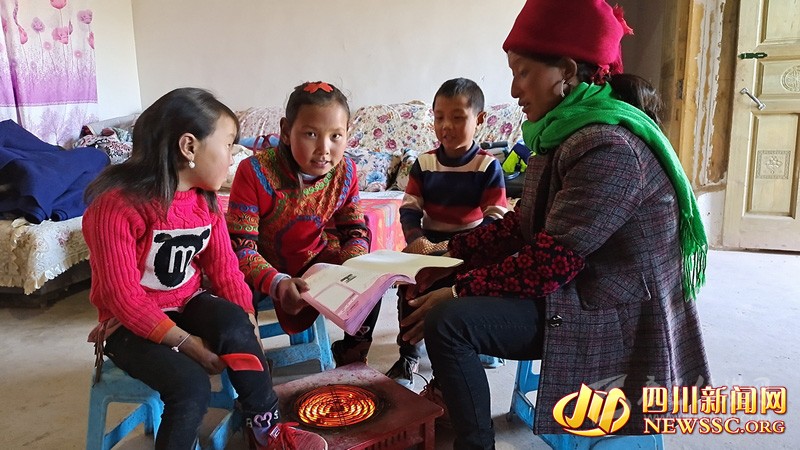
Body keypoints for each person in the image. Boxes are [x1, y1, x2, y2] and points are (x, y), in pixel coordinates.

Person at [399, 1, 712, 448]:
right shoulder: (561, 132)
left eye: (523, 73)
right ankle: (453, 398)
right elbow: (522, 226)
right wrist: (447, 253)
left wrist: (457, 290)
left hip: (610, 310)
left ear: (565, 72)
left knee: (449, 320)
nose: (514, 89)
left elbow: (550, 262)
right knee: (441, 280)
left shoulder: (608, 147)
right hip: (575, 285)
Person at [83, 88, 327, 449]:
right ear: (189, 147)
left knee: (236, 325)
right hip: (128, 324)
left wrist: (249, 326)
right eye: (228, 145)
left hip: (186, 302)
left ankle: (267, 430)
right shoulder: (115, 207)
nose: (232, 157)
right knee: (190, 386)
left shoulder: (204, 201)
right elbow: (123, 298)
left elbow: (226, 271)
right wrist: (190, 345)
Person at [226, 81, 379, 366]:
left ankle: (352, 356)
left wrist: (352, 265)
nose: (324, 149)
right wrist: (277, 282)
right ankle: (251, 368)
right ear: (286, 131)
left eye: (336, 136)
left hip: (315, 257)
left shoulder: (346, 171)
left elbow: (354, 229)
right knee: (233, 295)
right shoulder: (254, 172)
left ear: (348, 134)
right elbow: (241, 247)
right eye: (310, 134)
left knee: (372, 279)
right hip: (263, 262)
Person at [385, 78, 508, 388]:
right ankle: (408, 354)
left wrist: (462, 248)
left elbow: (496, 217)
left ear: (480, 119)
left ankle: (466, 350)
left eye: (457, 117)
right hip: (428, 241)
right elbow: (410, 209)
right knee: (410, 287)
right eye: (439, 117)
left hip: (471, 245)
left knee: (465, 294)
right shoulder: (424, 163)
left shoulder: (487, 167)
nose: (446, 126)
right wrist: (417, 241)